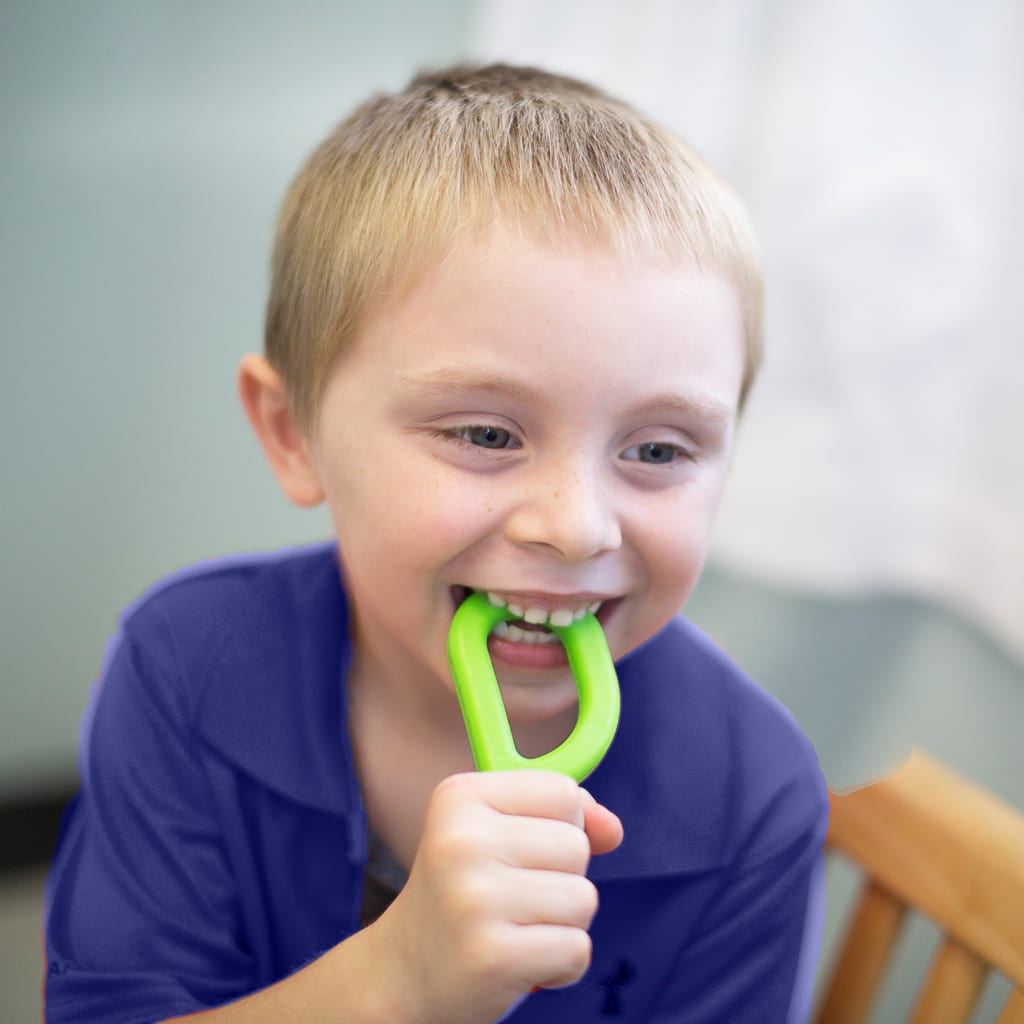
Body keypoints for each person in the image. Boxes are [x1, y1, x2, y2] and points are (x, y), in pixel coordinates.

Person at [43, 63, 829, 1023]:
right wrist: (397, 981)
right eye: (487, 435)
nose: (577, 526)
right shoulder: (189, 665)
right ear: (294, 433)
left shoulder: (753, 795)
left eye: (658, 449)